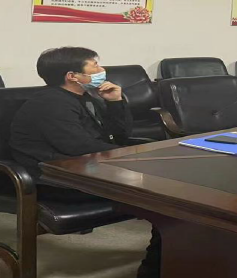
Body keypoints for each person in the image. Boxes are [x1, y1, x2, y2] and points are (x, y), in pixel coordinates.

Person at [9, 47, 160, 278]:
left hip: (86, 168)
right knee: (170, 199)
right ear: (72, 76)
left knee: (173, 196)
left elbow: (119, 136)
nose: (102, 70)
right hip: (54, 179)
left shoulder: (86, 97)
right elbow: (79, 148)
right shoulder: (50, 104)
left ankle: (159, 262)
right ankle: (154, 267)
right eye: (94, 66)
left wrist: (115, 102)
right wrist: (133, 157)